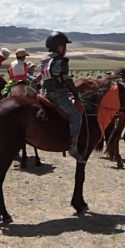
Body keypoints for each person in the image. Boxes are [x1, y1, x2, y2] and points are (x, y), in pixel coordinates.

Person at [40, 31, 84, 163]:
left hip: (45, 93)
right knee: (76, 116)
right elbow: (67, 80)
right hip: (58, 95)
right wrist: (76, 93)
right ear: (59, 47)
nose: (65, 49)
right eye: (64, 45)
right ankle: (73, 147)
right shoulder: (61, 61)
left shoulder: (44, 60)